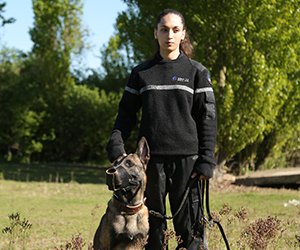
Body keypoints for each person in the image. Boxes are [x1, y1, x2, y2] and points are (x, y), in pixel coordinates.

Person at [106, 8, 217, 250]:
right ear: (155, 33)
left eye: (175, 30)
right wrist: (116, 143)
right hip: (151, 165)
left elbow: (207, 118)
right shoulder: (141, 74)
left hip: (189, 163)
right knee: (154, 233)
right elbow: (125, 115)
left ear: (183, 34)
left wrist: (207, 160)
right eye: (164, 29)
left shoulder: (197, 72)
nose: (170, 35)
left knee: (190, 232)